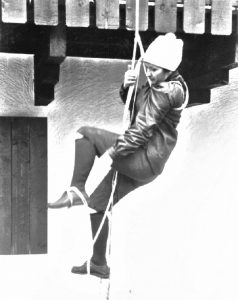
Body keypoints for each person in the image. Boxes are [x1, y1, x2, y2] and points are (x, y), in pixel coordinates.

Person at [48, 33, 188, 279]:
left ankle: (76, 190)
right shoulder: (158, 80)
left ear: (168, 70)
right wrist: (127, 86)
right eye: (148, 68)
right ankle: (99, 264)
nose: (150, 73)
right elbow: (133, 106)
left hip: (143, 157)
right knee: (98, 205)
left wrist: (114, 151)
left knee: (86, 134)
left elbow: (143, 130)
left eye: (155, 70)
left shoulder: (167, 90)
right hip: (148, 165)